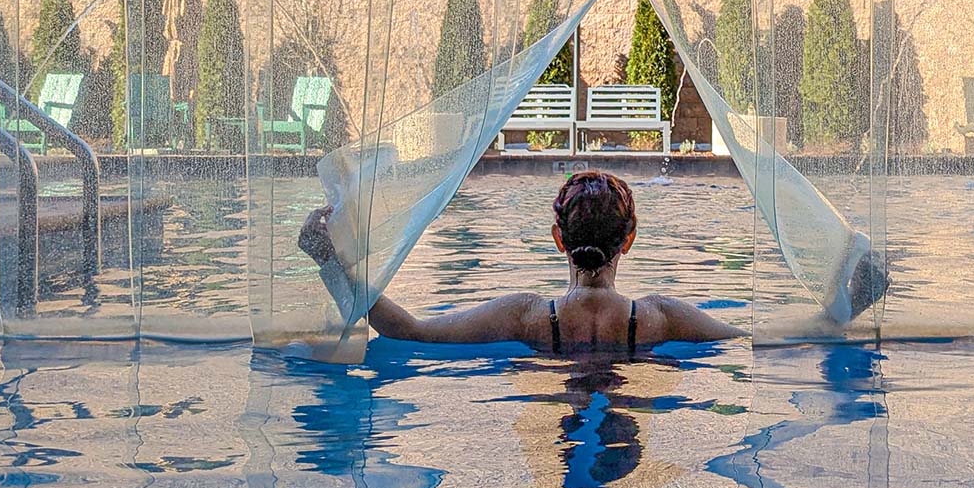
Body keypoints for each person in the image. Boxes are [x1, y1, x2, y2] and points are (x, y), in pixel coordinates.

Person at [298, 169, 745, 351]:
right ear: (628, 240)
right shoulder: (660, 318)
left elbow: (408, 331)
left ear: (558, 239)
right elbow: (753, 339)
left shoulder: (526, 317)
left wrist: (330, 263)